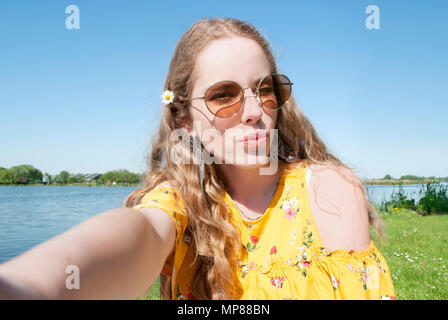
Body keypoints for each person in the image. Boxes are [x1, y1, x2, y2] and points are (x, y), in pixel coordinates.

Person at [0, 17, 395, 300]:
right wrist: (26, 286)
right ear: (184, 120)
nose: (255, 110)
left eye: (266, 89)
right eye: (224, 96)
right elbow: (138, 235)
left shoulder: (328, 190)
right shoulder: (181, 205)